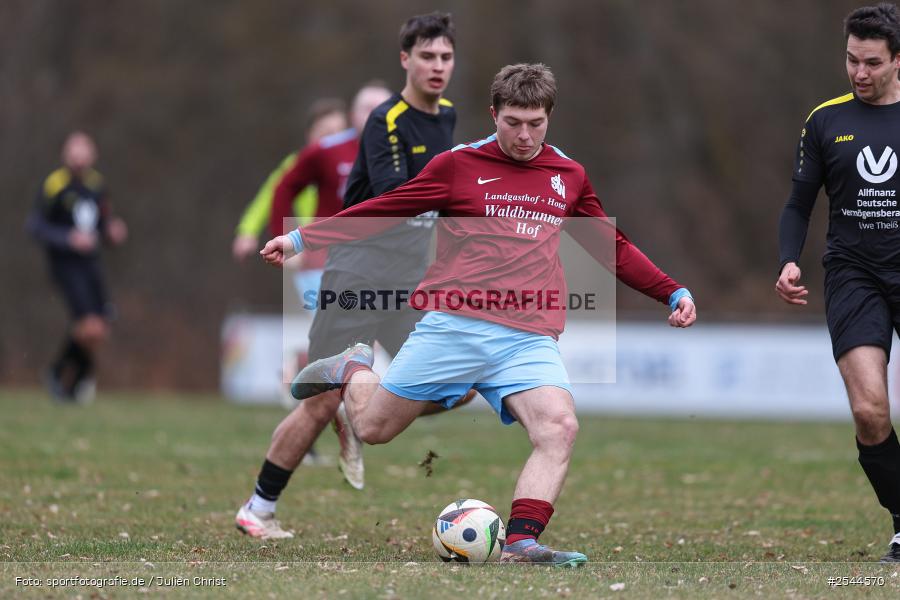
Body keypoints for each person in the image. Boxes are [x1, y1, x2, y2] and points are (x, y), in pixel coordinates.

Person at [261, 63, 697, 565]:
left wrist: (671, 291)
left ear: (549, 117)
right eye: (513, 122)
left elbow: (610, 246)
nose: (524, 135)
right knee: (373, 430)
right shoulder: (458, 165)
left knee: (559, 427)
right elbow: (386, 208)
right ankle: (353, 368)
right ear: (494, 114)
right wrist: (302, 238)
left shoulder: (568, 175)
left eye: (535, 123)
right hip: (455, 328)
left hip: (527, 336)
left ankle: (521, 543)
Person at [236, 12, 465, 540]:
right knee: (319, 404)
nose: (437, 66)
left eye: (446, 56)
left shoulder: (447, 116)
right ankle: (258, 508)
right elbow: (394, 202)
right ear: (405, 59)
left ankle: (357, 399)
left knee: (458, 386)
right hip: (358, 275)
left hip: (410, 282)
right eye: (426, 56)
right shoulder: (386, 121)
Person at [776, 3, 900, 563]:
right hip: (854, 274)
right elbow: (799, 203)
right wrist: (788, 259)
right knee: (870, 411)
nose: (859, 72)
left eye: (872, 62)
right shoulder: (824, 120)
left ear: (897, 61)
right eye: (852, 60)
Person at [268, 82, 393, 310]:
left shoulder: (405, 153)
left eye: (382, 107)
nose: (375, 114)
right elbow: (283, 188)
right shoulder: (326, 150)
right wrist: (282, 238)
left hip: (380, 265)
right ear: (352, 115)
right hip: (326, 263)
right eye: (367, 108)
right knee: (340, 329)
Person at [28, 131, 127, 403]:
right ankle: (71, 379)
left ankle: (61, 376)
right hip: (65, 264)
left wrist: (112, 231)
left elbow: (101, 224)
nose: (79, 159)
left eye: (84, 153)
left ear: (92, 156)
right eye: (75, 153)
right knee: (89, 326)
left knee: (100, 328)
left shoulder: (97, 185)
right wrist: (67, 238)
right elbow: (35, 226)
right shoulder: (54, 185)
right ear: (66, 156)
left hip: (91, 264)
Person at [232, 97, 348, 265]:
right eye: (326, 134)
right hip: (312, 251)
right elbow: (270, 195)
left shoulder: (353, 164)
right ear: (310, 135)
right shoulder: (297, 166)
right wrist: (248, 231)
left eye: (340, 133)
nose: (333, 141)